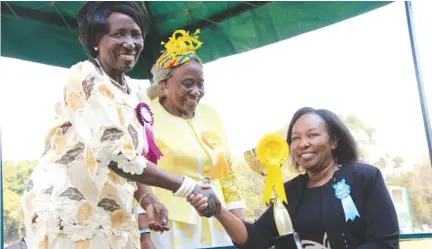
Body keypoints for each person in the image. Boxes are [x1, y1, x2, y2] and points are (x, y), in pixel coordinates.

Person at [20, 2, 219, 249]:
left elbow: (133, 158)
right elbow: (117, 155)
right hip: (70, 214)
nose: (130, 43)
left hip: (114, 212)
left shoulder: (133, 92)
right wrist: (189, 188)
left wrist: (148, 199)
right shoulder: (85, 76)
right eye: (118, 34)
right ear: (95, 40)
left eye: (136, 34)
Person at [189, 107, 400, 249]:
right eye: (295, 138)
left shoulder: (365, 178)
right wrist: (219, 211)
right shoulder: (289, 192)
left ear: (333, 141)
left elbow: (385, 242)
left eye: (312, 135)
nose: (302, 144)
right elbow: (255, 239)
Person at [138, 29, 246, 249]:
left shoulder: (211, 114)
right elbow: (137, 173)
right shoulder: (145, 115)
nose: (196, 91)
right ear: (164, 84)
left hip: (218, 223)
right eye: (187, 83)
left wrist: (241, 224)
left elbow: (228, 175)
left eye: (201, 84)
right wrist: (143, 233)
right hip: (171, 228)